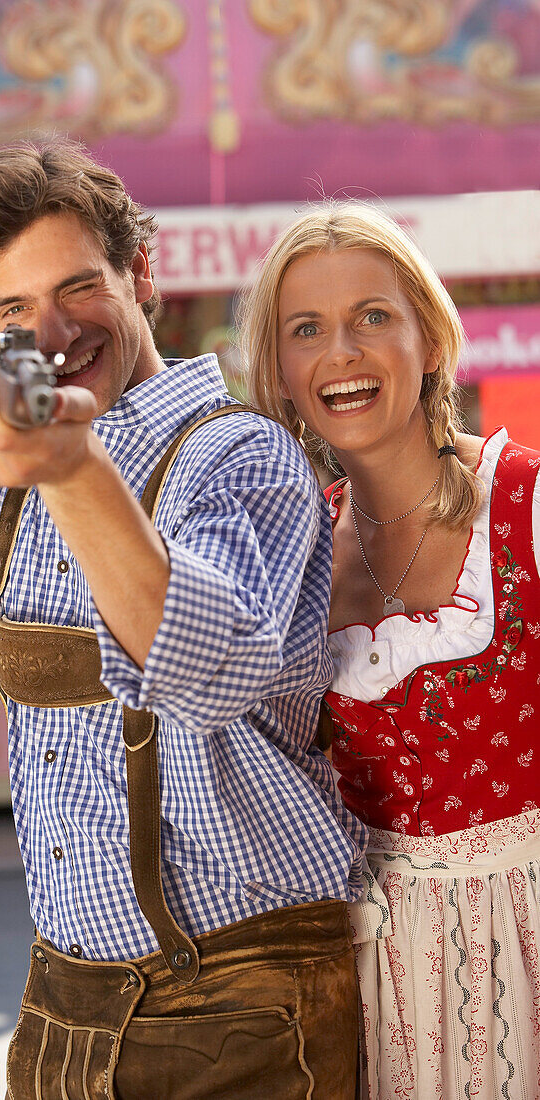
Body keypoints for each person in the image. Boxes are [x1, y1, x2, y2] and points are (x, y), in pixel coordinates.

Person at [0, 142, 367, 1100]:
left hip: (245, 989)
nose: (53, 331)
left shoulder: (239, 455)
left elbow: (212, 670)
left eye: (77, 287)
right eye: (12, 313)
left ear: (140, 275)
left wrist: (70, 467)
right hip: (67, 999)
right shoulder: (12, 489)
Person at [241, 201, 540, 1099]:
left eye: (373, 315)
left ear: (431, 339)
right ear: (282, 373)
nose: (342, 351)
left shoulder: (523, 502)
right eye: (307, 329)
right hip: (371, 981)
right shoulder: (288, 559)